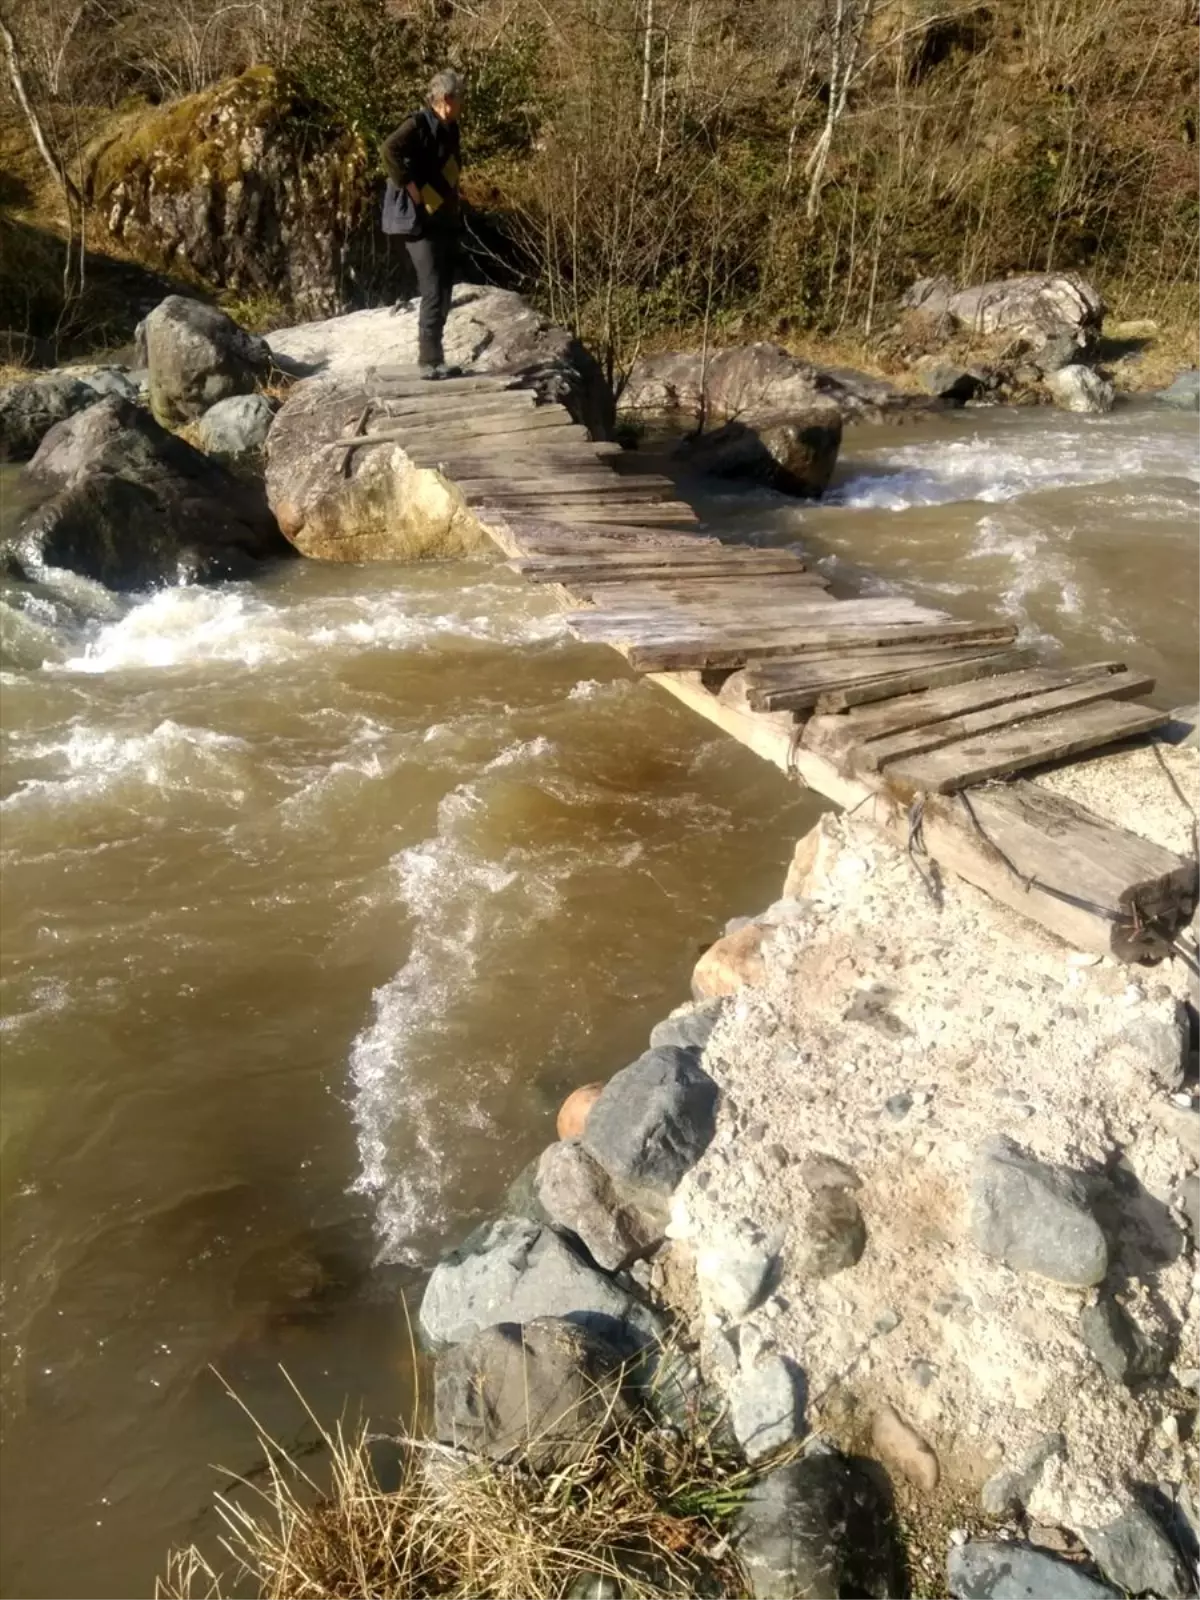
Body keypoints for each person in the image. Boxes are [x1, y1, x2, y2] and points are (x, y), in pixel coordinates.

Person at [381, 70, 464, 378]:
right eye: (460, 97)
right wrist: (409, 186)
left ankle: (436, 357)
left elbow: (450, 163)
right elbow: (388, 150)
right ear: (446, 99)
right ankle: (428, 362)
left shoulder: (451, 127)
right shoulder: (416, 125)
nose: (463, 103)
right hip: (415, 220)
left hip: (440, 214)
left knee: (443, 286)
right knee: (431, 287)